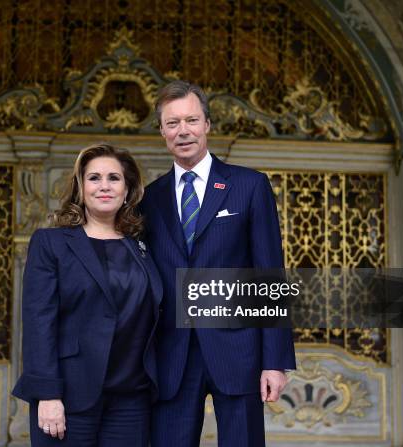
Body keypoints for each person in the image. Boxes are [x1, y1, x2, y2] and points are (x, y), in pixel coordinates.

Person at [141, 80, 296, 447]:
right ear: (162, 131)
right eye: (173, 123)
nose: (183, 131)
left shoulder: (249, 186)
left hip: (238, 351)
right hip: (172, 354)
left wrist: (274, 362)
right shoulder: (150, 198)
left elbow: (269, 275)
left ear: (207, 125)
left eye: (191, 120)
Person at [12, 143, 162, 447]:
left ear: (128, 189)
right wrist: (48, 394)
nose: (104, 186)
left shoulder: (143, 246)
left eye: (114, 178)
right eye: (94, 178)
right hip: (68, 396)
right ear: (80, 188)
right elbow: (39, 322)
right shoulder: (50, 243)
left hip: (131, 399)